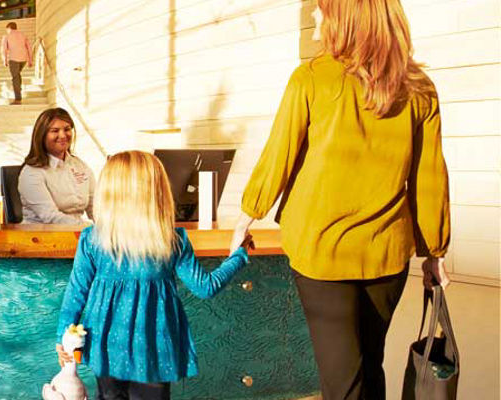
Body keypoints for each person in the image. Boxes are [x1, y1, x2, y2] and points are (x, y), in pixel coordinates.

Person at [228, 0, 450, 397]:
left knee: (344, 381)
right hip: (386, 254)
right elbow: (429, 177)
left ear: (345, 17)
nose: (313, 15)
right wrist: (434, 250)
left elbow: (279, 152)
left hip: (323, 253)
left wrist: (247, 216)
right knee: (369, 364)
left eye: (321, 8)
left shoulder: (312, 78)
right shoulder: (419, 88)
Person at [57, 151, 252, 400]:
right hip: (154, 351)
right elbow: (205, 287)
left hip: (106, 347)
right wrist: (238, 255)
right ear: (156, 191)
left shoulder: (92, 240)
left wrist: (63, 336)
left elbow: (75, 294)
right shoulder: (172, 240)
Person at [17, 108, 93, 224]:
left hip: (78, 234)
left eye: (67, 129)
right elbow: (50, 217)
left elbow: (95, 207)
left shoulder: (80, 165)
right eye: (55, 131)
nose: (62, 135)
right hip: (43, 236)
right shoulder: (31, 173)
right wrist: (88, 229)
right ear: (42, 135)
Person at [0, 22, 33, 105]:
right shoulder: (23, 35)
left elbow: (4, 49)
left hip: (13, 59)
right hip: (23, 59)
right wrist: (30, 60)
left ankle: (18, 98)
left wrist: (4, 60)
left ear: (8, 28)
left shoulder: (6, 36)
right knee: (17, 75)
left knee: (15, 77)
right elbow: (29, 47)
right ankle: (19, 90)